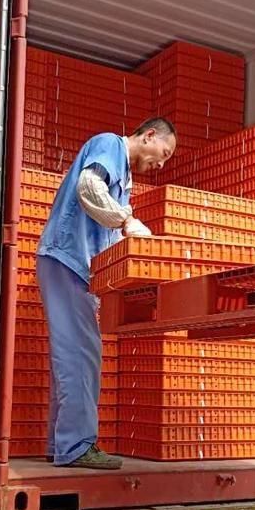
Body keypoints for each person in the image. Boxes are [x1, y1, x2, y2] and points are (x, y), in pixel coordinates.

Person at [37, 118, 177, 469]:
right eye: (164, 152)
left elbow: (110, 238)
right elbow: (89, 189)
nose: (161, 164)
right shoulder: (110, 145)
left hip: (74, 267)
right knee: (82, 353)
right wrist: (127, 222)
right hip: (67, 259)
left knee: (72, 354)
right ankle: (76, 446)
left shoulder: (124, 183)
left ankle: (62, 444)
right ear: (148, 136)